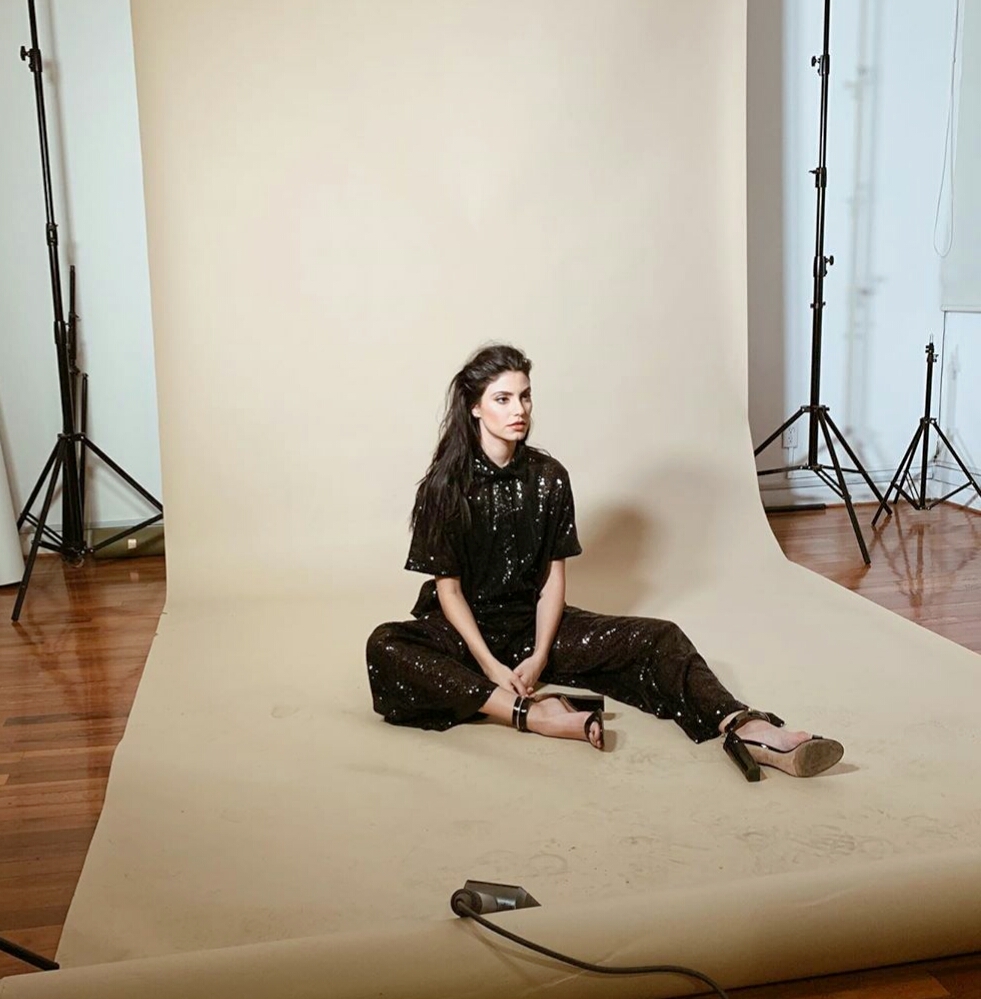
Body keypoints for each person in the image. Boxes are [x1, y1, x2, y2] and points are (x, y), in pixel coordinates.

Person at [365, 345, 844, 780]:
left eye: (525, 397)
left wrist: (540, 655)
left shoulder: (550, 477)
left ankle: (745, 727)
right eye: (503, 399)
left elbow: (552, 581)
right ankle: (532, 715)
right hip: (465, 632)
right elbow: (448, 591)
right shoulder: (444, 487)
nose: (519, 410)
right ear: (475, 407)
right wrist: (490, 665)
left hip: (531, 626)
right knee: (386, 645)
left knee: (660, 637)